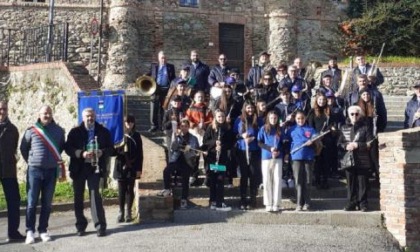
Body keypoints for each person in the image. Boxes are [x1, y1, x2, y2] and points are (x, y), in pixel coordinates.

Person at [20, 105, 65, 244]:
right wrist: (33, 160)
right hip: (34, 171)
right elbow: (23, 148)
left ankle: (43, 230)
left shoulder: (59, 131)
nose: (47, 115)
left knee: (47, 203)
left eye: (49, 113)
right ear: (39, 114)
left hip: (51, 171)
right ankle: (30, 231)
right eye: (44, 113)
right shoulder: (31, 130)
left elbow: (60, 147)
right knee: (32, 202)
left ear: (52, 115)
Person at [65, 108, 113, 237]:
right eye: (87, 116)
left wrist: (102, 152)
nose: (90, 118)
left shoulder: (103, 132)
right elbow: (68, 148)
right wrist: (81, 153)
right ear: (83, 117)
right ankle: (80, 226)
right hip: (79, 168)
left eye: (92, 116)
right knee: (78, 197)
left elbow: (111, 149)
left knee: (95, 196)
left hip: (95, 168)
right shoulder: (75, 132)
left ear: (95, 116)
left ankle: (100, 226)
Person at [157, 119, 200, 210]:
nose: (183, 128)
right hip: (176, 159)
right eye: (182, 126)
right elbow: (172, 148)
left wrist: (190, 149)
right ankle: (167, 188)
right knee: (166, 170)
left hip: (187, 161)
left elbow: (196, 152)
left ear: (188, 127)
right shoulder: (177, 136)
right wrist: (176, 139)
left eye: (185, 126)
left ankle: (184, 199)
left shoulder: (193, 138)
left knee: (185, 178)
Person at [338, 105, 373, 212]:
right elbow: (340, 143)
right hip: (349, 159)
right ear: (349, 115)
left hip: (362, 158)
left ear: (360, 115)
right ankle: (352, 203)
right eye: (352, 114)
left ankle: (363, 204)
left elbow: (370, 143)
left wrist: (358, 145)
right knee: (351, 183)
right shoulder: (344, 127)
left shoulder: (366, 127)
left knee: (362, 183)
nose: (354, 116)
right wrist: (345, 146)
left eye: (357, 114)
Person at [0, 101, 25, 243]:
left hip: (8, 170)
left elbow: (14, 148)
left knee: (14, 201)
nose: (2, 112)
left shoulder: (13, 129)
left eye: (4, 109)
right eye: (0, 109)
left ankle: (13, 232)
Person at [202, 109, 235, 211]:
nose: (221, 118)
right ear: (215, 117)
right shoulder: (210, 128)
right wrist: (214, 144)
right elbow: (205, 142)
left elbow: (231, 142)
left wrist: (222, 146)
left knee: (220, 180)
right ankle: (212, 201)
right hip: (212, 158)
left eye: (222, 116)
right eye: (219, 116)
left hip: (222, 159)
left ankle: (220, 201)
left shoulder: (228, 128)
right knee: (213, 180)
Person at [113, 115, 143, 223]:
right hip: (120, 165)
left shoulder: (136, 136)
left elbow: (140, 153)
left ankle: (128, 212)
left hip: (132, 165)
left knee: (130, 189)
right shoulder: (118, 136)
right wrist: (119, 147)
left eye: (131, 122)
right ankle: (120, 212)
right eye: (126, 122)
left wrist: (139, 168)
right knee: (121, 190)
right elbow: (112, 152)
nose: (128, 124)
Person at [233, 101, 263, 210]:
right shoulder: (239, 119)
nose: (250, 110)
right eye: (248, 108)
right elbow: (235, 134)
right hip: (242, 150)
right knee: (244, 175)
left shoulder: (259, 120)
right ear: (245, 109)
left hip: (254, 150)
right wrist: (242, 136)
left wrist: (253, 138)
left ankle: (253, 199)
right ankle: (243, 199)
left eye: (251, 108)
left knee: (253, 175)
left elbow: (262, 133)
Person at [286, 111, 318, 211]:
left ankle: (307, 203)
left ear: (305, 118)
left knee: (308, 180)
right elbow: (286, 143)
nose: (300, 120)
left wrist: (312, 142)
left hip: (308, 157)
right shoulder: (291, 130)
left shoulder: (311, 129)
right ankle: (299, 203)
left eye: (302, 118)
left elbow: (317, 142)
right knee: (298, 181)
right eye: (298, 119)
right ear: (295, 119)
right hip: (296, 157)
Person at [307, 93, 338, 189]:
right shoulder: (312, 112)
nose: (322, 101)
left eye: (324, 100)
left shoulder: (329, 111)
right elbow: (310, 126)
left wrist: (332, 128)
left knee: (326, 161)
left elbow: (333, 123)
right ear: (317, 100)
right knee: (317, 161)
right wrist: (315, 136)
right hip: (316, 140)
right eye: (320, 100)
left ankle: (325, 180)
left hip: (327, 139)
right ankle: (317, 180)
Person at [257, 110, 284, 212]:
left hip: (278, 157)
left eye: (275, 118)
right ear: (268, 118)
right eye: (271, 118)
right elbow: (259, 142)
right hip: (266, 157)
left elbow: (284, 143)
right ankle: (268, 203)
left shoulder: (280, 129)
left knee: (277, 180)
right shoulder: (263, 128)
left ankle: (276, 203)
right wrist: (269, 149)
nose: (273, 120)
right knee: (267, 180)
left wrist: (279, 151)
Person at [148, 50, 176, 132]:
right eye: (162, 58)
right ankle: (154, 126)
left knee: (164, 109)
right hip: (156, 90)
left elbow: (173, 78)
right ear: (158, 58)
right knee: (154, 109)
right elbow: (150, 74)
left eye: (164, 58)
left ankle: (162, 126)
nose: (163, 60)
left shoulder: (171, 67)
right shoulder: (154, 66)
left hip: (166, 90)